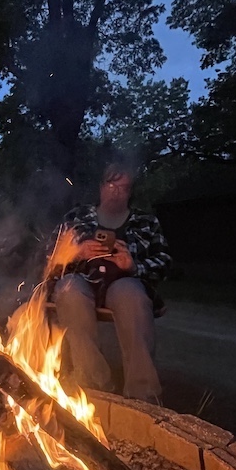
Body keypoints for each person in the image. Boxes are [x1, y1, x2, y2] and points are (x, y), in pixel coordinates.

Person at [47, 160, 171, 403]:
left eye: (123, 187)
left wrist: (134, 265)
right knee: (68, 289)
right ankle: (94, 384)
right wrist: (76, 253)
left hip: (124, 283)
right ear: (101, 186)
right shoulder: (77, 217)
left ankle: (142, 393)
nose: (115, 192)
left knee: (130, 295)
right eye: (111, 185)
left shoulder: (145, 223)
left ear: (130, 191)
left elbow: (164, 261)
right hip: (81, 279)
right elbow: (48, 257)